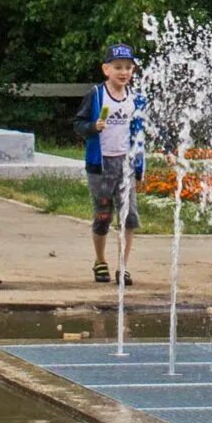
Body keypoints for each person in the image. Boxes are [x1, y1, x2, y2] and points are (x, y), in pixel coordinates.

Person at [74, 44, 146, 285]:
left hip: (125, 163)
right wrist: (93, 127)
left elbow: (140, 133)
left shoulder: (135, 99)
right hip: (101, 164)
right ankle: (100, 260)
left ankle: (123, 266)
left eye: (128, 68)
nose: (123, 72)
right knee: (103, 215)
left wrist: (139, 166)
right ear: (106, 69)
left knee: (129, 217)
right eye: (118, 68)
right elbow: (78, 124)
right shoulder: (96, 95)